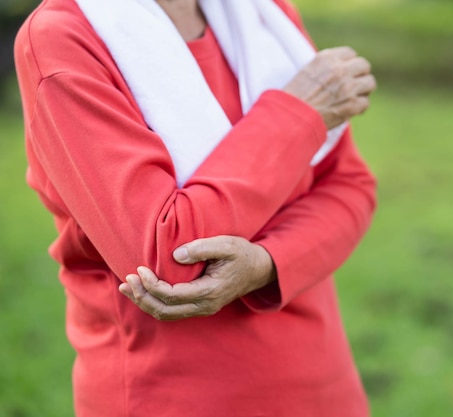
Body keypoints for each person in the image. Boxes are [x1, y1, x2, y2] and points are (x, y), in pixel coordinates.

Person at [14, 0, 376, 416]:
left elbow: (350, 184)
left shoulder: (263, 12)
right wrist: (299, 113)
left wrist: (267, 262)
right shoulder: (64, 36)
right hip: (177, 396)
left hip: (323, 387)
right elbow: (170, 257)